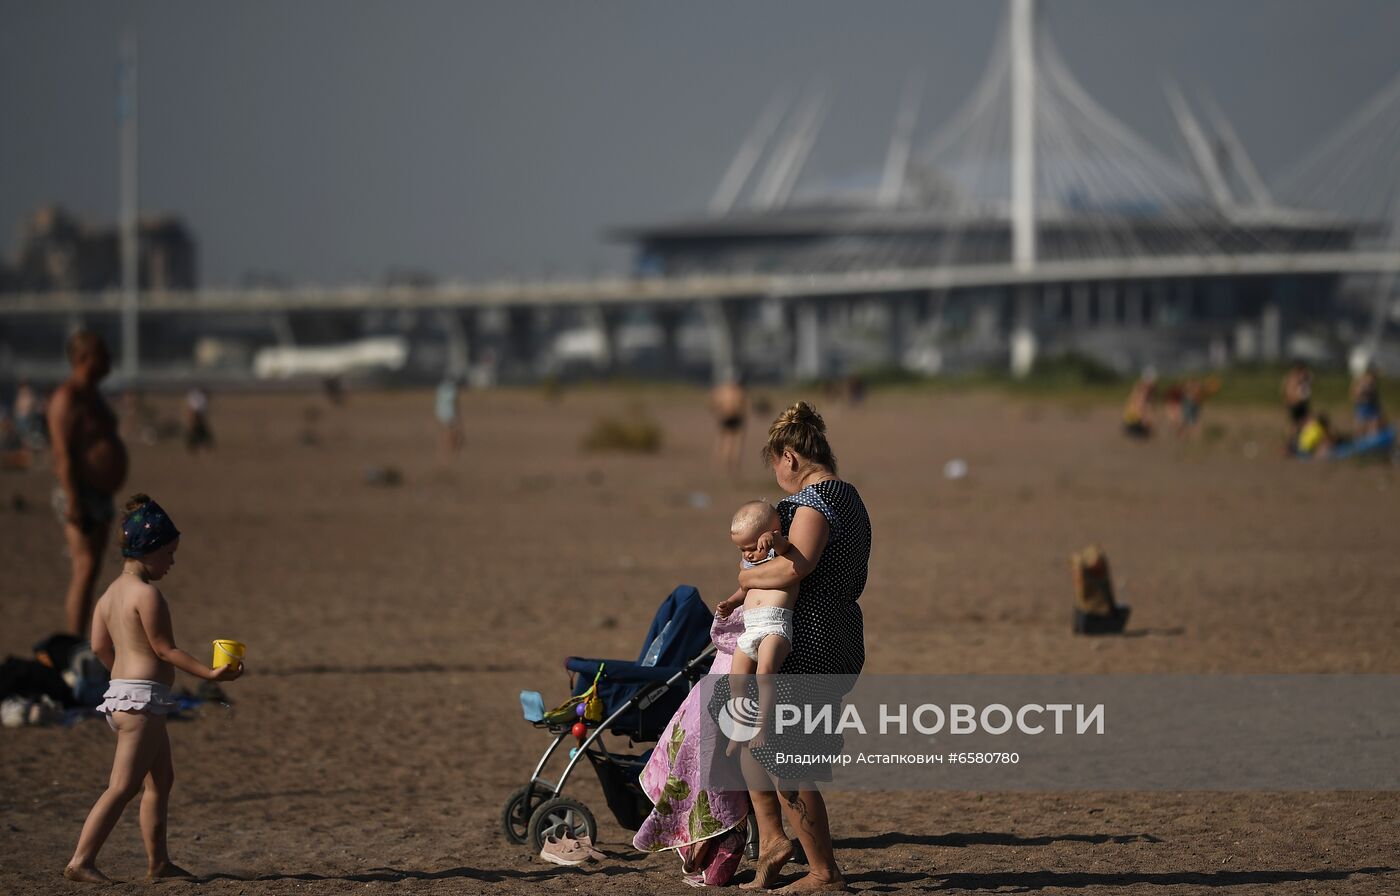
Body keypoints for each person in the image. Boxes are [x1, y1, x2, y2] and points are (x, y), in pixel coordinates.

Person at [724, 401, 870, 893]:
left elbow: (795, 566)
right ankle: (771, 842)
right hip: (828, 635)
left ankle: (824, 873)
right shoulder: (849, 496)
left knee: (785, 752)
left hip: (812, 640)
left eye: (776, 468)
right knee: (752, 736)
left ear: (789, 456)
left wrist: (745, 576)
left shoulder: (816, 501)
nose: (777, 480)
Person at [64, 494, 244, 883]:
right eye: (170, 553)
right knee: (122, 786)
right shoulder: (147, 595)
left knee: (160, 781)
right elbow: (166, 649)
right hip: (142, 701)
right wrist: (210, 676)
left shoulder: (109, 594)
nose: (172, 563)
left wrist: (121, 678)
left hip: (127, 698)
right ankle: (82, 860)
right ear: (150, 549)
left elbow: (98, 646)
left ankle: (158, 863)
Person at [633, 608, 750, 887]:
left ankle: (714, 834)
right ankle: (708, 834)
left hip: (737, 667)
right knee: (692, 746)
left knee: (703, 750)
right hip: (726, 670)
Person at [48, 331, 128, 637]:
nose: (109, 359)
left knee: (92, 568)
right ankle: (72, 642)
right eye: (102, 354)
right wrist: (73, 500)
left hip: (99, 493)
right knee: (83, 567)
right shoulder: (67, 398)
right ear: (83, 358)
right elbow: (61, 453)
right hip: (79, 492)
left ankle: (79, 638)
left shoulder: (93, 395)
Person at [716, 501, 794, 754]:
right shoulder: (749, 565)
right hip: (751, 629)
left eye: (751, 547)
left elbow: (787, 548)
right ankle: (738, 728)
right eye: (742, 550)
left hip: (774, 626)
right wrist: (730, 602)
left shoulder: (780, 553)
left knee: (765, 674)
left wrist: (774, 540)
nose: (748, 554)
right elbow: (744, 589)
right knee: (736, 680)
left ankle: (762, 728)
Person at [710, 376, 748, 477]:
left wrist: (718, 412)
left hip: (725, 416)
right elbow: (744, 406)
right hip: (736, 417)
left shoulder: (721, 391)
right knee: (736, 443)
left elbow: (713, 403)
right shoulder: (739, 391)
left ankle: (721, 464)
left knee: (725, 441)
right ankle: (732, 466)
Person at [1282, 361, 1313, 442]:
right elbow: (1288, 392)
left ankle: (1298, 441)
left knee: (1303, 424)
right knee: (1295, 425)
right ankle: (1290, 443)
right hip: (1295, 404)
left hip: (1300, 404)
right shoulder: (1294, 378)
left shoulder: (1297, 378)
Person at [1351, 364, 1384, 437]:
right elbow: (1354, 396)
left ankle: (1372, 442)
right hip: (1362, 408)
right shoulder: (1361, 382)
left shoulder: (1373, 383)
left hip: (1372, 407)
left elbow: (1376, 399)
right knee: (1361, 428)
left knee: (1373, 427)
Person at [1122, 370, 1156, 439]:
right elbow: (1140, 410)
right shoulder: (1141, 395)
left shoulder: (1137, 391)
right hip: (1133, 423)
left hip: (1129, 422)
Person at [435, 375, 463, 458]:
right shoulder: (452, 389)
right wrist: (458, 414)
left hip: (441, 412)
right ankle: (450, 447)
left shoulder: (441, 388)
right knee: (450, 431)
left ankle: (445, 447)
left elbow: (438, 401)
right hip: (449, 412)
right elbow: (455, 402)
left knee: (445, 431)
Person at [183, 387, 214, 453]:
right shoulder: (199, 398)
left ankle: (199, 445)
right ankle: (194, 446)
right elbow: (193, 410)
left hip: (197, 415)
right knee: (196, 431)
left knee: (199, 431)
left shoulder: (198, 398)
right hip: (197, 415)